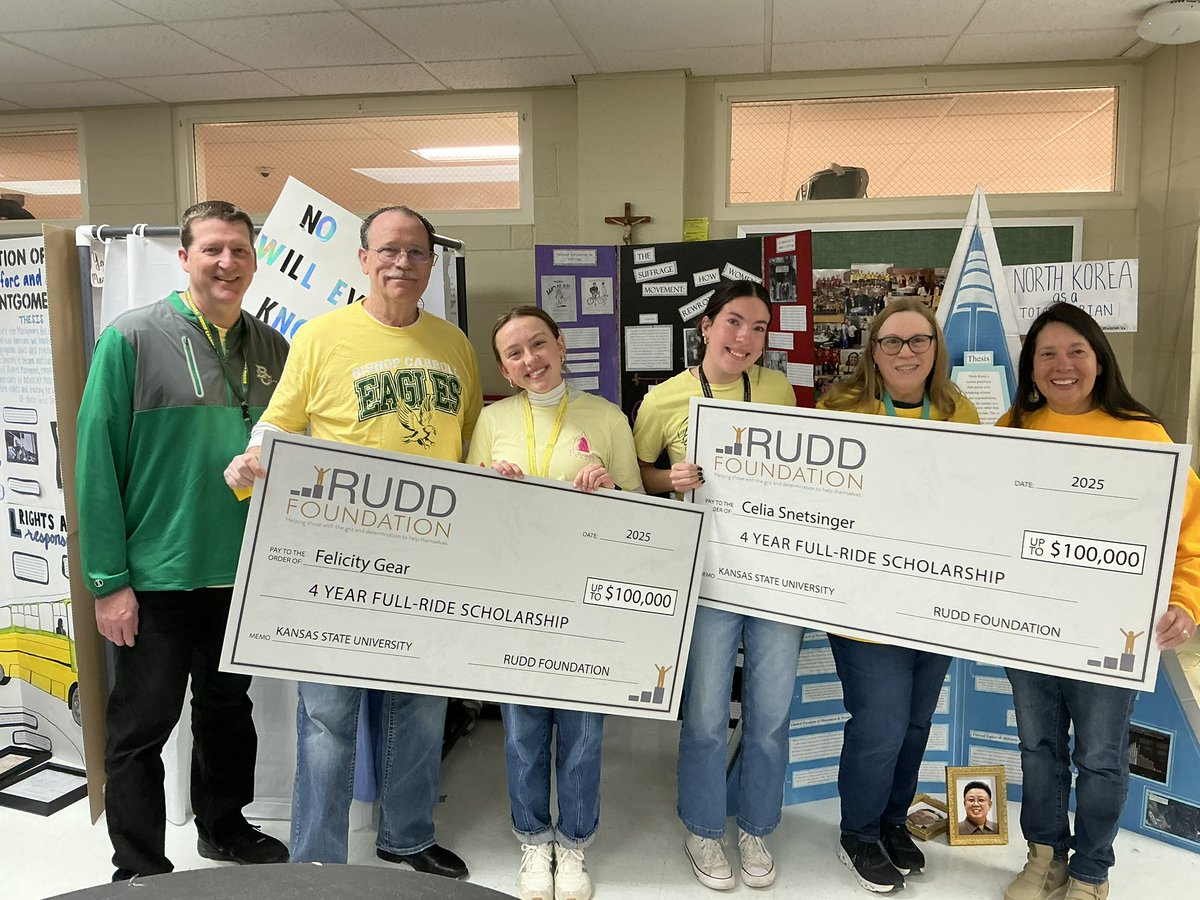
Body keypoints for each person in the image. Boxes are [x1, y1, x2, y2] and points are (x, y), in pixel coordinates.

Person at [224, 205, 482, 877]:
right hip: (336, 562)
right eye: (389, 251)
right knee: (326, 717)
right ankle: (317, 859)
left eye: (416, 252)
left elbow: (474, 444)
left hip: (431, 561)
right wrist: (254, 462)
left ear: (431, 263)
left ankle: (407, 835)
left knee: (421, 713)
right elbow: (278, 425)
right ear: (363, 259)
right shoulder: (320, 337)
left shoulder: (453, 344)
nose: (402, 262)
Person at [76, 200, 290, 881]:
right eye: (213, 249)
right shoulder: (132, 339)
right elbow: (95, 465)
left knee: (228, 710)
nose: (227, 263)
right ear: (186, 257)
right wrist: (109, 584)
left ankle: (223, 828)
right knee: (141, 731)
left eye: (240, 250)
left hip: (240, 574)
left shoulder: (273, 348)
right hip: (160, 576)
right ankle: (138, 867)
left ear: (255, 262)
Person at [998, 303, 1200, 900]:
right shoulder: (1011, 431)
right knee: (1037, 749)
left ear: (1099, 360)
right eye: (1047, 354)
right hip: (1029, 628)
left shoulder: (1145, 437)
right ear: (1030, 367)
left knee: (1101, 758)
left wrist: (1186, 600)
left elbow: (1192, 535)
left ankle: (1091, 871)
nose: (1063, 367)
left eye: (1076, 352)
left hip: (1108, 637)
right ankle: (1045, 857)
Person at [467, 306, 642, 900]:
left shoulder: (609, 418)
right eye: (514, 354)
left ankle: (574, 846)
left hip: (588, 600)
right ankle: (532, 841)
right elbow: (470, 511)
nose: (529, 360)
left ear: (562, 346)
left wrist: (611, 489)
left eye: (538, 345)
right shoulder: (491, 422)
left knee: (583, 730)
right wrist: (492, 483)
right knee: (521, 728)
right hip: (517, 597)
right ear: (505, 369)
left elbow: (641, 512)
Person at [632, 280, 802, 891]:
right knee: (704, 715)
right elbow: (638, 475)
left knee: (771, 715)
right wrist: (666, 478)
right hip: (707, 579)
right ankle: (704, 829)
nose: (746, 339)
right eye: (735, 322)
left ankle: (756, 826)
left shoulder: (778, 389)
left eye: (759, 329)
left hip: (777, 576)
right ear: (705, 327)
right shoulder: (665, 398)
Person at [819, 297, 979, 894]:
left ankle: (891, 822)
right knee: (880, 724)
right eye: (892, 342)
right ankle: (857, 833)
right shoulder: (840, 407)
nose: (905, 352)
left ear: (935, 349)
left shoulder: (957, 410)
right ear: (874, 352)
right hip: (864, 602)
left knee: (915, 725)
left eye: (918, 341)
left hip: (935, 601)